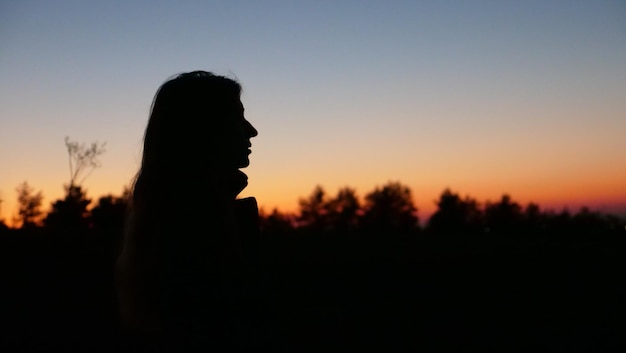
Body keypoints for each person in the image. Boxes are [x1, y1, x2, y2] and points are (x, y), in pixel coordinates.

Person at [115, 71, 263, 352]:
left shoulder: (168, 218)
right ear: (201, 129)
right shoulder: (192, 228)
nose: (251, 130)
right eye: (237, 117)